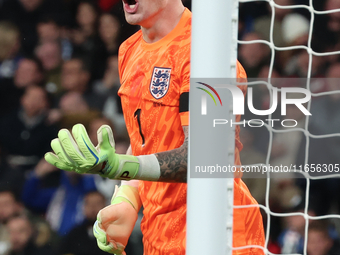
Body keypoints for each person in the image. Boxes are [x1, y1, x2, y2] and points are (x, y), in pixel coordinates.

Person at [45, 0, 265, 254]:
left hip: (221, 234)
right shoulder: (129, 50)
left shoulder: (206, 53)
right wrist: (127, 198)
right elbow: (144, 141)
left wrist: (118, 167)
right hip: (157, 236)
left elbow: (204, 158)